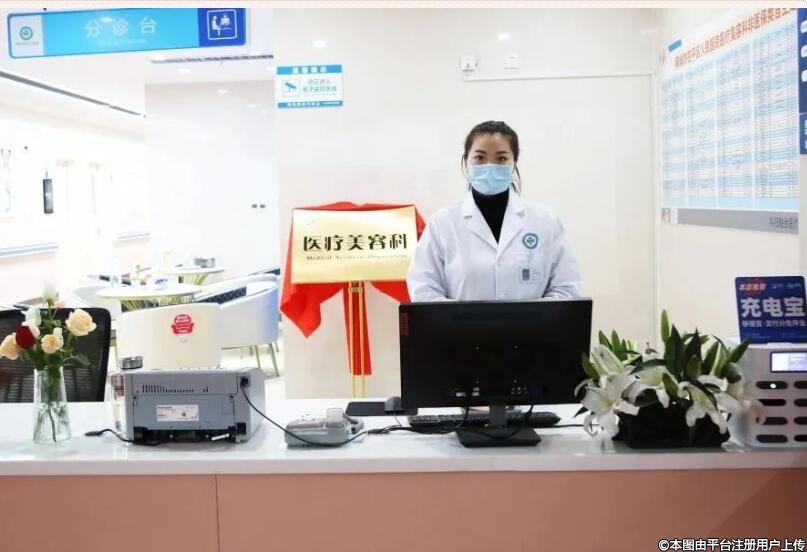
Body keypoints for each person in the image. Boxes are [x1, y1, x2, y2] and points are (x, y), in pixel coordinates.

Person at [407, 120, 581, 302]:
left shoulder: (545, 221)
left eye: (501, 158)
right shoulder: (443, 223)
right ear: (466, 162)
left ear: (514, 164)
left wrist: (526, 317)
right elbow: (423, 289)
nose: (489, 166)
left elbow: (567, 289)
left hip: (532, 323)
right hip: (460, 324)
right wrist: (464, 318)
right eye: (480, 157)